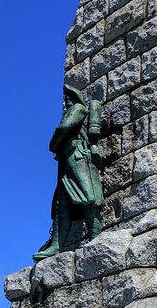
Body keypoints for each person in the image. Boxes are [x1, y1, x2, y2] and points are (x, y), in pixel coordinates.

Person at [34, 85, 105, 261]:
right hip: (68, 161)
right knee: (61, 203)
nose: (67, 101)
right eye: (66, 98)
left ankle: (96, 237)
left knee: (89, 196)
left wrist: (53, 143)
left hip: (78, 158)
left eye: (69, 96)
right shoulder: (74, 109)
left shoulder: (78, 109)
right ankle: (57, 245)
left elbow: (65, 128)